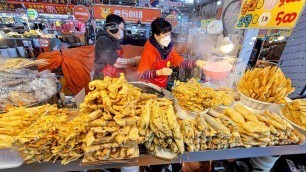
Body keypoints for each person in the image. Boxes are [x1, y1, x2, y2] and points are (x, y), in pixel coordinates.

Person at [137, 17, 207, 88]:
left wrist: (195, 63)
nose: (168, 37)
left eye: (169, 34)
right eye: (165, 35)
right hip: (149, 88)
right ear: (156, 36)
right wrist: (158, 72)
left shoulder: (168, 49)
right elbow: (140, 74)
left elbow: (180, 62)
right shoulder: (149, 52)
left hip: (161, 87)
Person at [94, 14, 140, 79]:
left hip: (114, 78)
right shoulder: (103, 40)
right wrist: (134, 61)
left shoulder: (114, 41)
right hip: (104, 80)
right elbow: (116, 62)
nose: (122, 32)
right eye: (121, 29)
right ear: (113, 28)